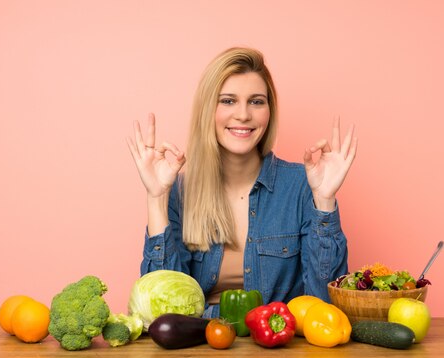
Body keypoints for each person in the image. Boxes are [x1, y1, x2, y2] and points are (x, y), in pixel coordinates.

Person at [127, 47, 357, 317]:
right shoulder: (179, 191)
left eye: (256, 101)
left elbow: (325, 304)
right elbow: (161, 313)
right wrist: (156, 198)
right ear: (207, 110)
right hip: (200, 348)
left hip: (277, 349)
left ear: (269, 112)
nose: (244, 114)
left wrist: (325, 201)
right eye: (228, 101)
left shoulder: (302, 186)